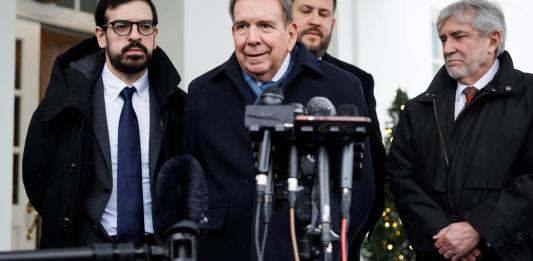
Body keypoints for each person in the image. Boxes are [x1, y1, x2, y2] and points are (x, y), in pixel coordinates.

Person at [185, 0, 374, 260]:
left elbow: (361, 189)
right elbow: (189, 182)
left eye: (265, 26)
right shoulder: (202, 93)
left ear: (291, 33)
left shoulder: (342, 87)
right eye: (242, 26)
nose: (252, 38)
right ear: (232, 32)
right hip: (224, 250)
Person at [23, 0, 186, 248]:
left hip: (159, 250)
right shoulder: (66, 101)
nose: (134, 36)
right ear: (101, 36)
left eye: (144, 26)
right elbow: (36, 175)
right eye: (121, 26)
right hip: (84, 250)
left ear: (155, 35)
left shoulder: (179, 106)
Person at [387, 0, 533, 260]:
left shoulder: (529, 97)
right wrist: (445, 237)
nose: (446, 48)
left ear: (492, 40)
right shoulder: (418, 109)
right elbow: (401, 178)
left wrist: (480, 228)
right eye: (442, 38)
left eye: (458, 36)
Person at [292, 0, 387, 259]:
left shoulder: (357, 81)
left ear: (332, 23)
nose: (315, 20)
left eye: (323, 13)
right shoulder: (267, 72)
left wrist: (352, 230)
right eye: (306, 10)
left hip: (341, 237)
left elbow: (374, 165)